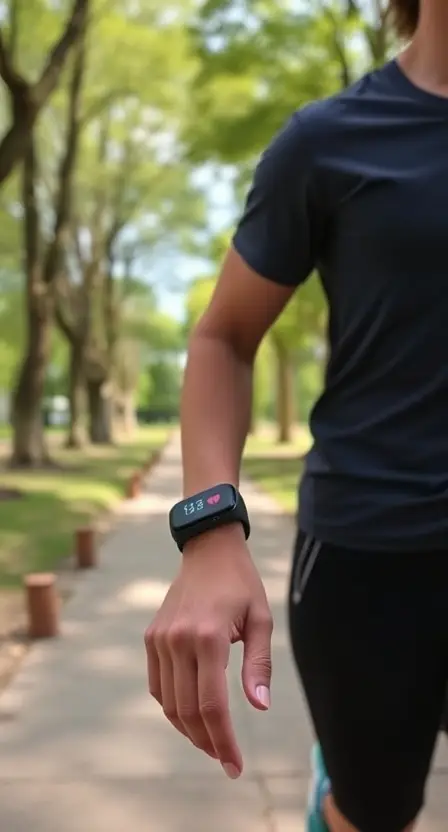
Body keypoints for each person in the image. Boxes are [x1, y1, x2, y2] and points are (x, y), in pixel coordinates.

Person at [145, 1, 448, 829]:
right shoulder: (327, 142)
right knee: (372, 812)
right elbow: (225, 338)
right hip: (371, 558)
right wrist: (209, 530)